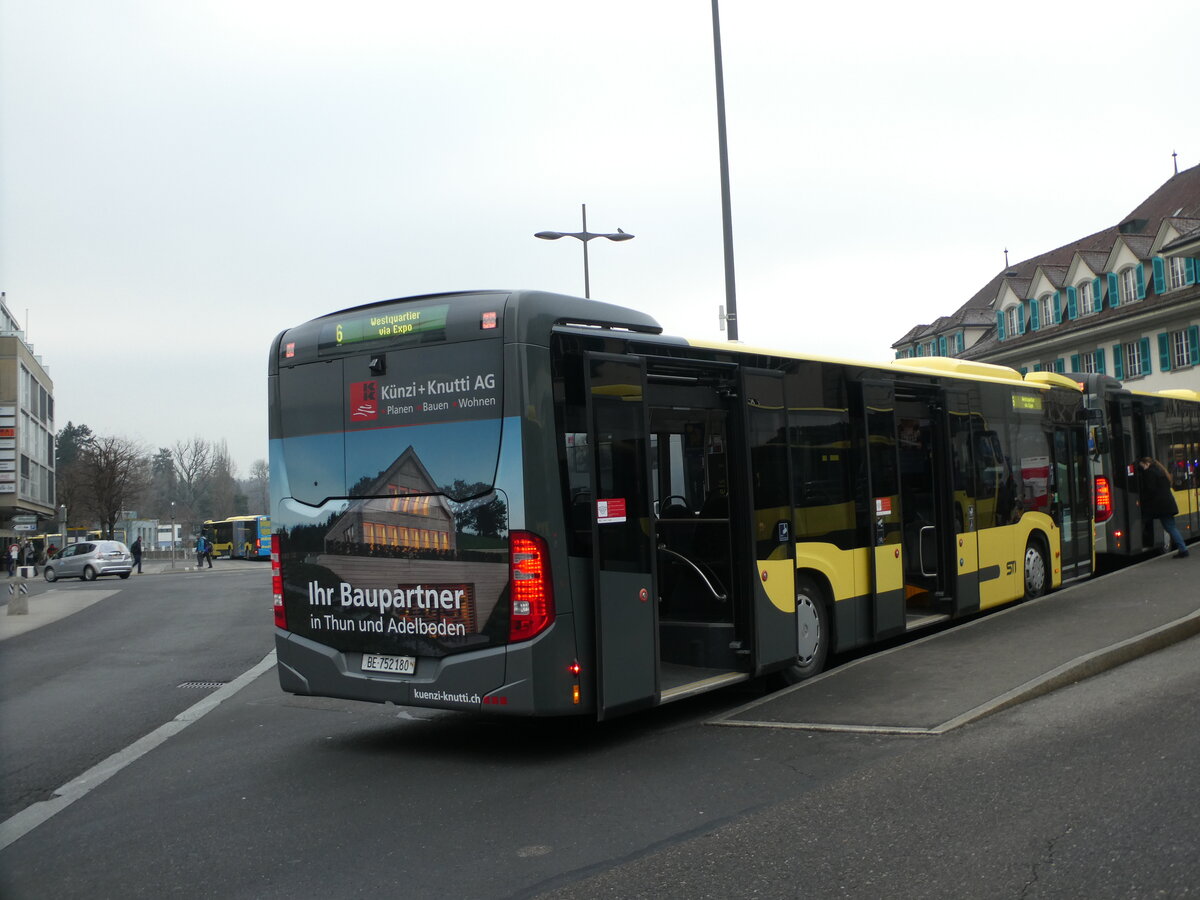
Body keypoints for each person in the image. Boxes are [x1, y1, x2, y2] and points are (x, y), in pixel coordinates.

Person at [1138, 457, 1189, 558]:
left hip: (1162, 507)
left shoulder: (1149, 472)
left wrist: (1141, 500)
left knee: (1170, 527)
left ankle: (1183, 550)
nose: (1142, 468)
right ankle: (1183, 549)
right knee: (1170, 527)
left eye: (1142, 466)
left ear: (1146, 464)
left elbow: (1150, 489)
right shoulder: (1161, 472)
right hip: (1167, 505)